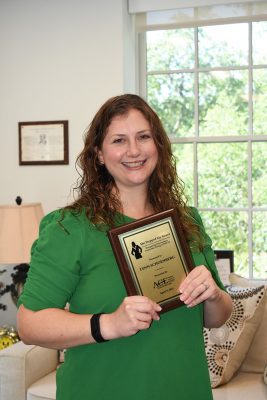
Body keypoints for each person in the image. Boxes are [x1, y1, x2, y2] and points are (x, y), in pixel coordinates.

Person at [17, 94, 232, 400]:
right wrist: (109, 324)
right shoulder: (70, 228)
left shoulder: (186, 221)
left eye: (143, 137)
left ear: (157, 145)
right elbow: (29, 324)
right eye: (119, 140)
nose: (133, 150)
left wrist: (211, 293)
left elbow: (217, 316)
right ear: (99, 155)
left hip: (187, 390)